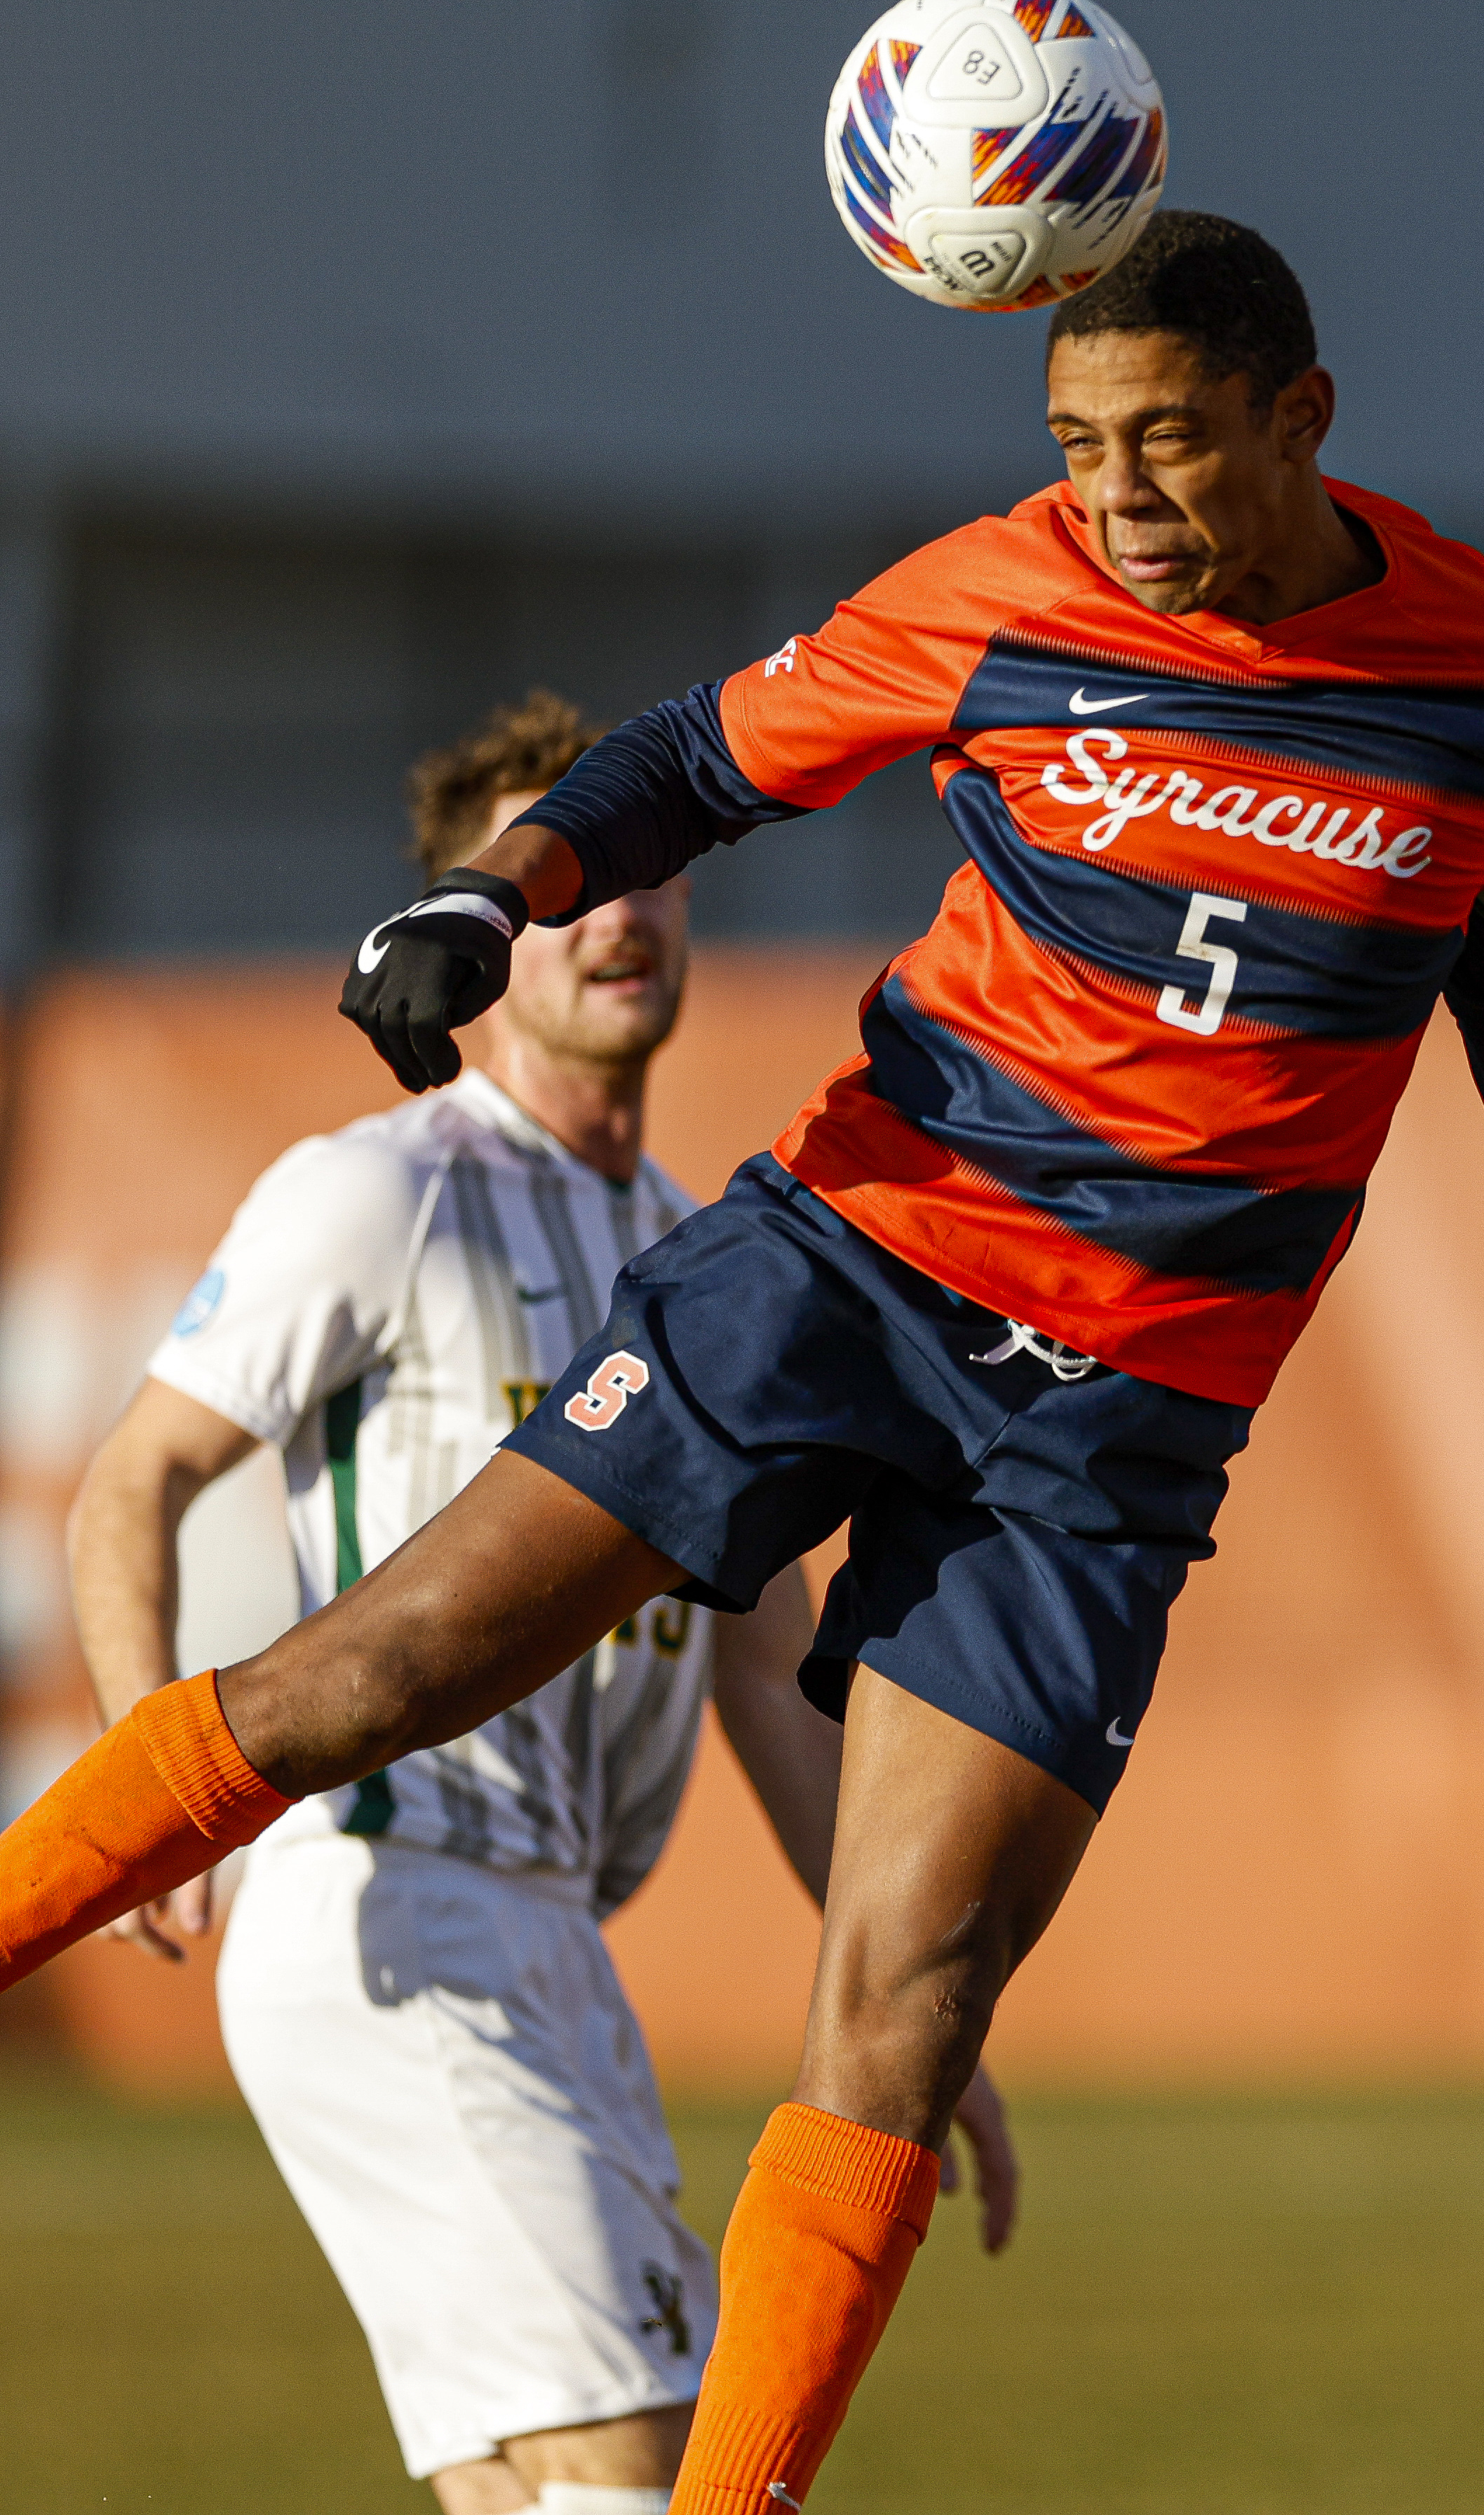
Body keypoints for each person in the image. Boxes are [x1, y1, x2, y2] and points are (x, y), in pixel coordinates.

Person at [2, 214, 1484, 2512]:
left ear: (1300, 421)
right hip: (853, 1266)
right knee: (380, 1666)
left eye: (1167, 442)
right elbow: (690, 764)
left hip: (1120, 1421)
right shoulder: (1010, 591)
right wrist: (498, 891)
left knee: (911, 2006)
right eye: (1075, 443)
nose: (1117, 494)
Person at [60, 689, 1017, 2515]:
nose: (619, 915)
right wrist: (146, 1773)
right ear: (480, 932)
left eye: (644, 875)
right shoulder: (382, 1191)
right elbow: (137, 1478)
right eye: (562, 887)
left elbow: (758, 1649)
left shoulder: (700, 1256)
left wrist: (904, 2008)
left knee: (534, 2489)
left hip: (555, 1935)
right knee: (643, 2467)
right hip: (395, 1900)